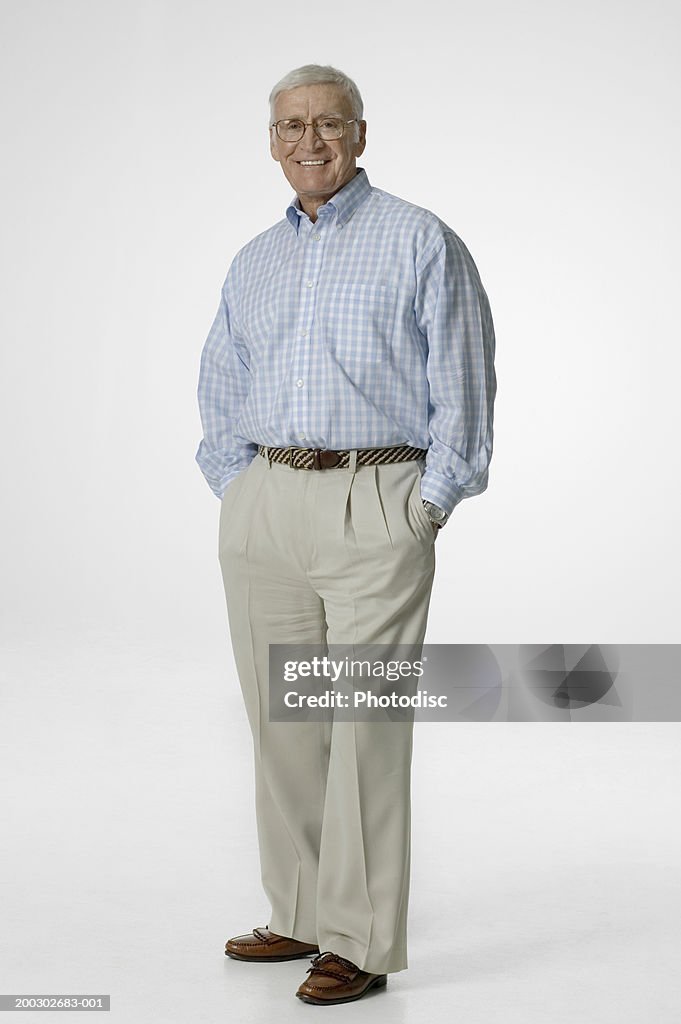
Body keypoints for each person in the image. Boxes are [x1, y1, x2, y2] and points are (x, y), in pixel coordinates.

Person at [195, 63, 497, 1006]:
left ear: (361, 136)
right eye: (290, 126)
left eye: (329, 124)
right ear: (271, 140)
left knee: (362, 727)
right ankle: (299, 909)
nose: (309, 142)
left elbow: (466, 381)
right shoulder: (254, 258)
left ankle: (359, 938)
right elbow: (219, 381)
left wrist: (429, 503)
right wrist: (235, 486)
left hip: (377, 499)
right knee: (281, 724)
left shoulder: (419, 239)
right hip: (266, 505)